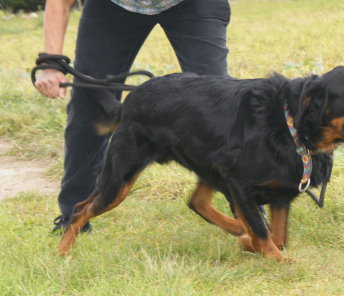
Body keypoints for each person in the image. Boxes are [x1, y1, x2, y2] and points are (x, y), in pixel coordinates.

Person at [34, 0, 231, 233]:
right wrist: (50, 63)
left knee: (218, 107)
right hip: (114, 6)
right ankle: (72, 219)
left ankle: (251, 218)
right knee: (89, 109)